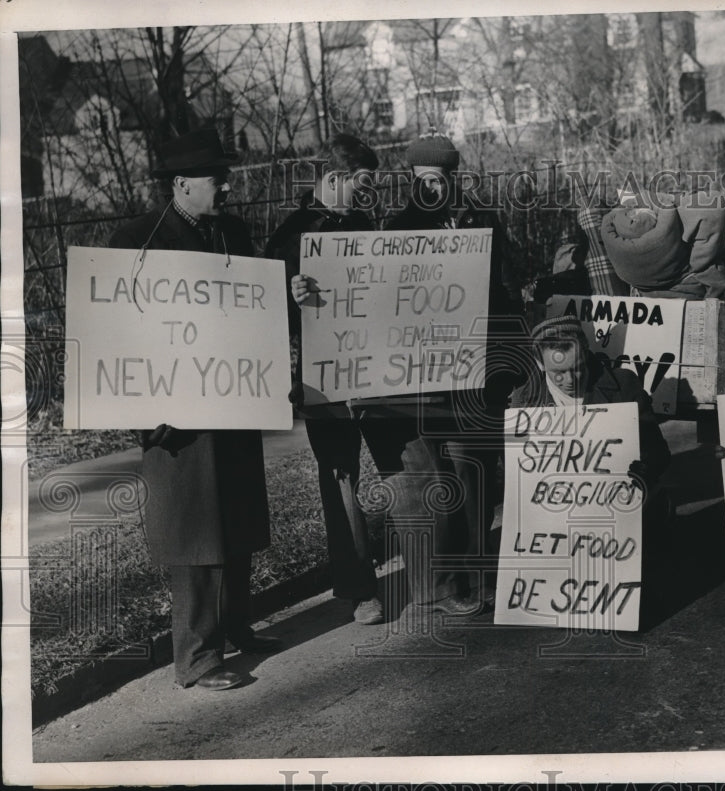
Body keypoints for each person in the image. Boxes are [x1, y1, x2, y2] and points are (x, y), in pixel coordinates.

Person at [109, 128, 280, 691]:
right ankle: (198, 657)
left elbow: (253, 308)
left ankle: (237, 627)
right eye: (217, 178)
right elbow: (113, 328)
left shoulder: (233, 231)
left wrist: (288, 298)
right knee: (197, 532)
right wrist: (143, 413)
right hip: (175, 412)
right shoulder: (137, 238)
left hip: (232, 395)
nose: (227, 186)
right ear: (182, 184)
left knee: (238, 519)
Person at [356, 130, 528, 615]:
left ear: (456, 176)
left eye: (443, 176)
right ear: (412, 178)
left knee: (476, 473)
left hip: (482, 363)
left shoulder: (482, 220)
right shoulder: (399, 228)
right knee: (442, 476)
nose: (435, 186)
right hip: (432, 375)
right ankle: (450, 581)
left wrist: (515, 355)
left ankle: (478, 572)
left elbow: (506, 288)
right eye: (425, 178)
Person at [268, 133, 384, 626]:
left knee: (406, 465)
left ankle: (434, 571)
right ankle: (360, 590)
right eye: (361, 184)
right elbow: (257, 314)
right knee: (340, 478)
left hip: (379, 372)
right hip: (325, 382)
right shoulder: (291, 236)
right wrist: (285, 296)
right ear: (334, 179)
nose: (367, 194)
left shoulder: (363, 224)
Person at [509, 315, 670, 497]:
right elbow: (520, 470)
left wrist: (645, 467)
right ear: (540, 363)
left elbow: (659, 453)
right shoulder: (523, 402)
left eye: (577, 367)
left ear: (585, 353)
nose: (570, 380)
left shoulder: (624, 385)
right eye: (558, 372)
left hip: (622, 502)